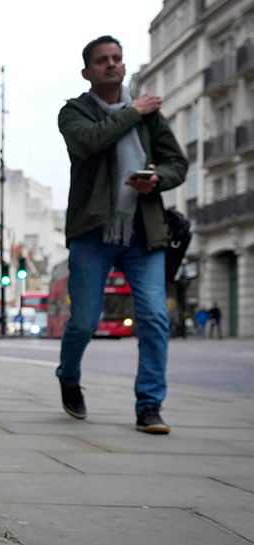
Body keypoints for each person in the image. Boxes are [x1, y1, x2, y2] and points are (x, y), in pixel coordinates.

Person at [56, 35, 188, 434]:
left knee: (153, 317)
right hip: (91, 233)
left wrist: (157, 179)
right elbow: (90, 141)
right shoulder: (74, 112)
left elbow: (177, 164)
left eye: (117, 58)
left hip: (143, 231)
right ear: (87, 71)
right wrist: (133, 109)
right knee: (83, 320)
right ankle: (68, 375)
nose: (112, 64)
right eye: (102, 60)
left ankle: (149, 405)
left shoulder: (148, 116)